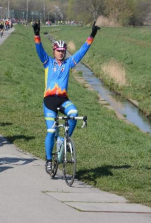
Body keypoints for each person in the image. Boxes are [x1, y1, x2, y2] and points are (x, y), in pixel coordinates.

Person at [32, 21, 100, 174]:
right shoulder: (48, 62)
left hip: (63, 100)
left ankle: (64, 140)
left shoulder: (69, 63)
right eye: (58, 51)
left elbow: (82, 51)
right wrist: (37, 35)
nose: (61, 53)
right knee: (50, 131)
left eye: (63, 51)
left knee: (74, 115)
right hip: (49, 101)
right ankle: (49, 161)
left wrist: (92, 36)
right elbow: (39, 50)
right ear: (54, 51)